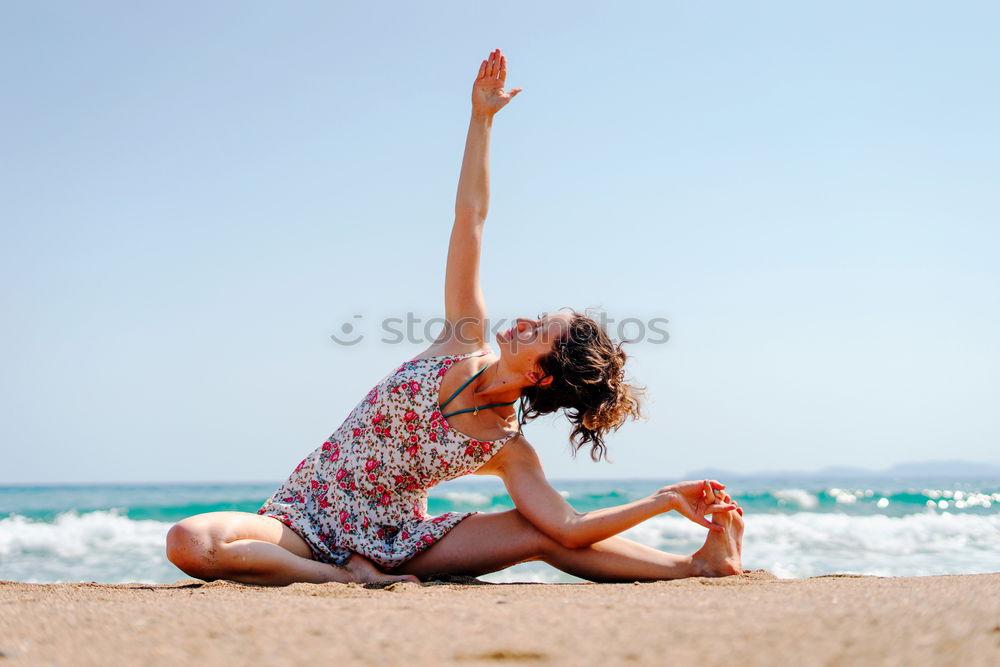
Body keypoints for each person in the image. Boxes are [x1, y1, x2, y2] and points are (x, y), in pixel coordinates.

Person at [165, 49, 745, 586]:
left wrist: (666, 498)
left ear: (541, 374)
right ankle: (346, 580)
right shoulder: (460, 340)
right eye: (537, 317)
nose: (522, 323)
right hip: (301, 521)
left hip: (401, 542)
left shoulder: (506, 446)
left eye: (538, 331)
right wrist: (482, 119)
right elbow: (471, 218)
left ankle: (695, 566)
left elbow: (567, 528)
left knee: (535, 532)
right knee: (191, 541)